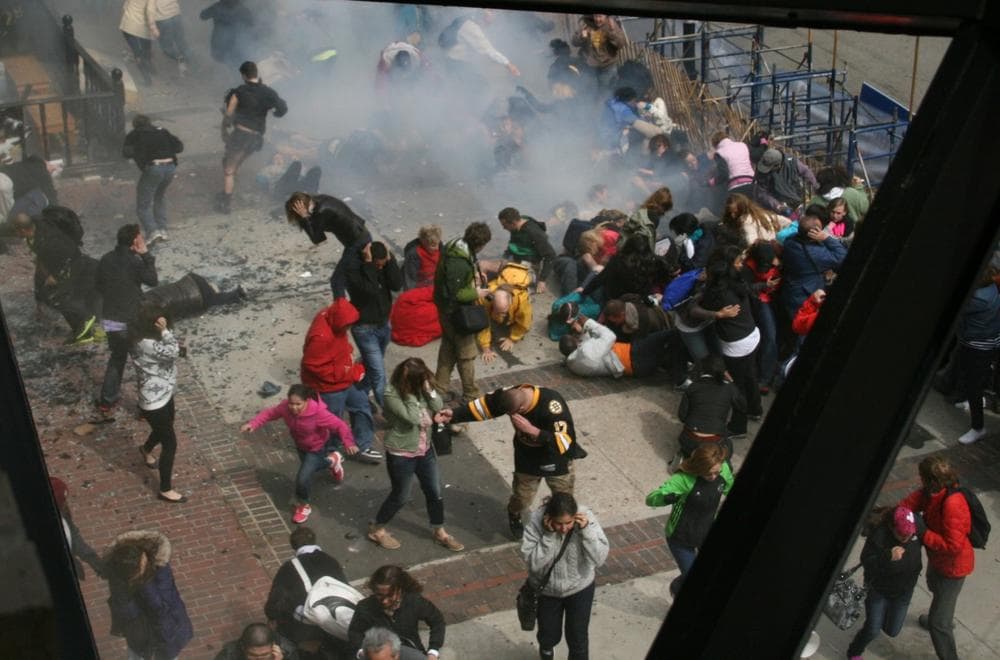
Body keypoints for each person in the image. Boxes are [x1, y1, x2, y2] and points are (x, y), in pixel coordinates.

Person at [447, 384, 585, 539]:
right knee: (522, 499)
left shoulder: (553, 406)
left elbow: (566, 441)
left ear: (521, 409)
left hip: (556, 459)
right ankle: (514, 513)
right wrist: (454, 414)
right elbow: (486, 406)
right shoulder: (510, 394)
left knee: (564, 499)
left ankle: (561, 525)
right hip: (527, 459)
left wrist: (533, 431)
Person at [368, 358, 464, 552]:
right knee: (401, 496)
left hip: (424, 449)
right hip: (401, 452)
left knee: (434, 491)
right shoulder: (391, 393)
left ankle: (439, 531)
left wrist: (429, 390)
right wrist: (411, 394)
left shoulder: (421, 388)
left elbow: (437, 405)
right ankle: (377, 529)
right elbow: (412, 418)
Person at [242, 384, 357, 524]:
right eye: (291, 403)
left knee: (302, 478)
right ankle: (332, 461)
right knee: (313, 469)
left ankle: (303, 505)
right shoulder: (285, 408)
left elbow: (340, 425)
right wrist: (253, 424)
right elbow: (269, 413)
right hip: (301, 446)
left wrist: (348, 443)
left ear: (307, 401)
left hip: (316, 448)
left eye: (298, 404)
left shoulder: (318, 414)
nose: (294, 408)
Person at [899, 456, 974, 660]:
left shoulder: (952, 504)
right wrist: (897, 514)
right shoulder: (933, 492)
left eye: (921, 477)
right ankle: (939, 615)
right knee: (934, 586)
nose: (920, 481)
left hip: (953, 568)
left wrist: (923, 533)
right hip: (939, 561)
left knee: (939, 624)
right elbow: (910, 504)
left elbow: (953, 546)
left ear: (930, 479)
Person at [520, 492, 608, 660]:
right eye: (558, 523)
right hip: (547, 592)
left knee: (578, 639)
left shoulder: (586, 518)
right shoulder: (536, 522)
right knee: (548, 635)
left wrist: (586, 532)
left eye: (568, 523)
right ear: (549, 518)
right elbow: (533, 564)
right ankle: (547, 650)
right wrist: (548, 536)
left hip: (580, 588)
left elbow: (599, 559)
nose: (564, 528)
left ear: (575, 516)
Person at [691, 246, 763, 438]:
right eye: (738, 261)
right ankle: (755, 409)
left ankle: (738, 427)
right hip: (752, 335)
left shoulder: (717, 294)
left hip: (737, 345)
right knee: (750, 376)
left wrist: (717, 313)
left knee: (736, 386)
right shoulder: (738, 282)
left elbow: (693, 310)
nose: (741, 264)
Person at [646, 443, 734, 596]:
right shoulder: (682, 480)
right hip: (681, 538)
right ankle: (677, 589)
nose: (714, 477)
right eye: (708, 474)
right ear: (698, 469)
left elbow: (729, 488)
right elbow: (651, 499)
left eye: (717, 472)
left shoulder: (723, 469)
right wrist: (665, 498)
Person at [300, 298, 382, 464]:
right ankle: (331, 452)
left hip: (342, 379)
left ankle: (362, 445)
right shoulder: (321, 338)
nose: (349, 328)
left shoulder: (331, 320)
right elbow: (313, 365)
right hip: (328, 386)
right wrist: (349, 373)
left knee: (361, 406)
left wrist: (348, 367)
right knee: (333, 420)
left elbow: (340, 346)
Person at [95, 224, 158, 415]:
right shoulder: (135, 261)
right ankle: (146, 407)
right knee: (143, 362)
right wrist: (146, 255)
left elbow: (98, 286)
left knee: (117, 357)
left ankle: (107, 401)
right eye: (140, 238)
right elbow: (153, 280)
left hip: (110, 319)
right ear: (134, 242)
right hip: (132, 321)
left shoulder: (105, 259)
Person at [845, 506, 923, 660]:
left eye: (910, 534)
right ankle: (854, 652)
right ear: (892, 527)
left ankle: (879, 618)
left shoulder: (916, 526)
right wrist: (888, 556)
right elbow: (867, 561)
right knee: (873, 629)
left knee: (892, 631)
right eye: (902, 535)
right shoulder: (879, 536)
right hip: (878, 591)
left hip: (904, 591)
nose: (906, 538)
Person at [12, 207, 99, 344]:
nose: (15, 234)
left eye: (16, 231)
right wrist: (39, 293)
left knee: (57, 296)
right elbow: (41, 262)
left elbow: (70, 256)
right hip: (63, 264)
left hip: (73, 264)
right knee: (48, 294)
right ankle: (80, 327)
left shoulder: (50, 240)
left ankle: (85, 322)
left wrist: (56, 276)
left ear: (22, 230)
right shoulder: (35, 231)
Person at [105, 530, 193, 660]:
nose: (144, 560)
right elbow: (127, 611)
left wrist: (144, 582)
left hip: (166, 629)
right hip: (140, 635)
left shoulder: (160, 569)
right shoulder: (118, 576)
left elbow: (161, 609)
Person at [130, 303, 186, 502]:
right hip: (154, 402)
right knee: (170, 444)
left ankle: (146, 449)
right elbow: (173, 351)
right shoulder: (146, 343)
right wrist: (165, 332)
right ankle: (165, 489)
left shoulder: (140, 339)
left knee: (165, 427)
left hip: (164, 392)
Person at [265, 527, 349, 658]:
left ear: (293, 545)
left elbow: (277, 598)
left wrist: (272, 616)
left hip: (306, 625)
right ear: (314, 540)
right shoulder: (331, 560)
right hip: (334, 618)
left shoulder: (289, 567)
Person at [217, 60, 288, 214]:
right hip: (256, 139)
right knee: (236, 163)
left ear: (243, 75)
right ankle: (227, 189)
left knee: (229, 169)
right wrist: (273, 111)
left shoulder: (239, 92)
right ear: (256, 73)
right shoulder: (269, 92)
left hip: (240, 136)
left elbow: (229, 114)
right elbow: (282, 109)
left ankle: (225, 203)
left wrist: (225, 126)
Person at [432, 222, 492, 401]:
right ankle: (471, 394)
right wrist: (476, 293)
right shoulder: (458, 263)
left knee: (448, 349)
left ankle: (439, 390)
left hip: (446, 310)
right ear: (480, 244)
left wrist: (474, 276)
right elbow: (455, 293)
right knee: (466, 354)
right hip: (455, 313)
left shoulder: (457, 245)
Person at [345, 242, 402, 410]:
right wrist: (370, 265)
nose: (381, 268)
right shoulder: (354, 269)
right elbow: (370, 291)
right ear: (368, 258)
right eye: (379, 264)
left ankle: (358, 394)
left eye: (383, 264)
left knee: (372, 366)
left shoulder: (383, 265)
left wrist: (390, 261)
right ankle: (390, 411)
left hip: (383, 324)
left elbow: (397, 284)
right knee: (378, 373)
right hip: (364, 329)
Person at [285, 191, 372, 299]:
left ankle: (341, 308)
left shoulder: (321, 212)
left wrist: (304, 217)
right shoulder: (319, 201)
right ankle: (355, 304)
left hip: (357, 242)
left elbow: (318, 239)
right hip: (358, 237)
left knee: (337, 281)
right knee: (352, 276)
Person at [348, 565, 446, 660]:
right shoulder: (364, 608)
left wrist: (433, 651)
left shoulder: (414, 602)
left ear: (400, 590)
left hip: (411, 652)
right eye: (379, 595)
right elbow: (355, 632)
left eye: (390, 595)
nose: (384, 601)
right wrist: (362, 651)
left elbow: (437, 621)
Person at [953, 267, 1000, 445]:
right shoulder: (991, 289)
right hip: (986, 341)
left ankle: (978, 428)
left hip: (978, 345)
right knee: (971, 377)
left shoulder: (978, 298)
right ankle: (969, 401)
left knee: (974, 385)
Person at [122, 114, 184, 244]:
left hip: (154, 168)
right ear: (149, 123)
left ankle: (152, 231)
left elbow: (127, 153)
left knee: (143, 204)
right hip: (170, 168)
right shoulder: (162, 131)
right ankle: (162, 230)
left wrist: (140, 153)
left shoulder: (135, 134)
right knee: (159, 197)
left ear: (135, 125)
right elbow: (179, 147)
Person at [780, 204, 848, 319]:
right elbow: (842, 256)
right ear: (814, 234)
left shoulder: (790, 241)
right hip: (805, 298)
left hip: (791, 291)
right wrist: (826, 238)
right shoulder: (816, 253)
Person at [560, 313, 672, 378]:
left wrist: (582, 333)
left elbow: (592, 346)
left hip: (634, 365)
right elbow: (610, 336)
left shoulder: (574, 363)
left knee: (667, 351)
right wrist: (588, 323)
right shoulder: (586, 353)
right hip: (633, 356)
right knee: (669, 334)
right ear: (576, 343)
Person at [676, 355, 746, 459]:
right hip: (714, 443)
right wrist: (731, 381)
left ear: (702, 370)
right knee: (728, 446)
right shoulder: (729, 388)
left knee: (690, 444)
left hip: (688, 440)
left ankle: (686, 455)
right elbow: (742, 406)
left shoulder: (693, 386)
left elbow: (682, 416)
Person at [439, 9, 520, 90]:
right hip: (455, 63)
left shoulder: (469, 19)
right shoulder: (470, 27)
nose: (491, 22)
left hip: (456, 61)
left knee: (476, 85)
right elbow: (489, 50)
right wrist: (509, 65)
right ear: (482, 16)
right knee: (480, 87)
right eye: (490, 14)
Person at [741, 240, 782, 393]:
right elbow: (744, 288)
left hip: (774, 300)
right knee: (769, 336)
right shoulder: (747, 266)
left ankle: (766, 374)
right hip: (758, 302)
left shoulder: (778, 258)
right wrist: (765, 286)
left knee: (771, 338)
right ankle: (763, 378)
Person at [49, 476, 104, 580]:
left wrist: (97, 563)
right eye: (62, 501)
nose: (65, 503)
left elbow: (75, 539)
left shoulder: (63, 513)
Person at [477, 266, 534, 364]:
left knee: (524, 317)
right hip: (500, 285)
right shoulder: (485, 298)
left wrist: (512, 339)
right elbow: (482, 323)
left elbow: (524, 323)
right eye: (497, 311)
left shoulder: (522, 302)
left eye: (504, 312)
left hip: (525, 276)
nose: (501, 315)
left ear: (511, 302)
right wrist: (485, 347)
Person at [497, 207, 556, 293]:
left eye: (505, 225)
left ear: (513, 223)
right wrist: (505, 257)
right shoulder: (516, 227)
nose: (503, 228)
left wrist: (542, 280)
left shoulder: (534, 232)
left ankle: (530, 285)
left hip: (529, 268)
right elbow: (513, 244)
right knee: (484, 265)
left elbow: (550, 255)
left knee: (508, 285)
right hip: (515, 263)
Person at [751, 147, 817, 215]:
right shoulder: (762, 169)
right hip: (776, 202)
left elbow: (806, 172)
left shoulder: (792, 162)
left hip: (796, 198)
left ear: (778, 166)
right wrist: (777, 206)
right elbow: (762, 193)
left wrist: (815, 187)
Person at [571, 14, 625, 88]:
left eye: (600, 16)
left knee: (607, 91)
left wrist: (612, 32)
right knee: (590, 91)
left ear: (606, 16)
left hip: (607, 67)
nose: (597, 19)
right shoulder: (586, 24)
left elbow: (621, 44)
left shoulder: (611, 25)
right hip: (589, 67)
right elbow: (574, 42)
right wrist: (582, 37)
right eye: (596, 16)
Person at [719, 193, 790, 249]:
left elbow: (751, 241)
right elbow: (787, 222)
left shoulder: (746, 221)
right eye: (730, 212)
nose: (733, 215)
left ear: (743, 209)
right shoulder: (761, 214)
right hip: (774, 248)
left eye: (736, 213)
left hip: (764, 252)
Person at [200, 0, 254, 68]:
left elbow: (203, 16)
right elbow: (251, 23)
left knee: (231, 63)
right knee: (236, 64)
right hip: (234, 47)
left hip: (221, 46)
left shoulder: (218, 6)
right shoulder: (242, 9)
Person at [147, 0, 191, 76]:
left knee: (167, 46)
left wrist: (152, 26)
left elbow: (150, 9)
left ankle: (180, 58)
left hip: (163, 19)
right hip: (176, 15)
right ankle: (191, 60)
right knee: (181, 41)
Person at [215, 623, 298, 660]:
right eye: (253, 655)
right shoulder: (228, 655)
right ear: (243, 647)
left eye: (265, 654)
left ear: (273, 646)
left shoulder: (288, 651)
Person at [120, 0, 154, 85]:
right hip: (142, 26)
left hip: (129, 25)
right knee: (146, 49)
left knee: (137, 53)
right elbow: (150, 10)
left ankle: (147, 78)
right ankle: (150, 70)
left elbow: (125, 7)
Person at [710, 132, 755, 197]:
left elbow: (724, 174)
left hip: (737, 188)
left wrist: (712, 182)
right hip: (753, 184)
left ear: (715, 144)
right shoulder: (742, 145)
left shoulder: (719, 153)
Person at [402, 225, 442, 290]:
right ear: (424, 243)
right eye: (433, 246)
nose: (436, 248)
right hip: (421, 287)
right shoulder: (414, 255)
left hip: (435, 283)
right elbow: (410, 278)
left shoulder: (440, 248)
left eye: (437, 244)